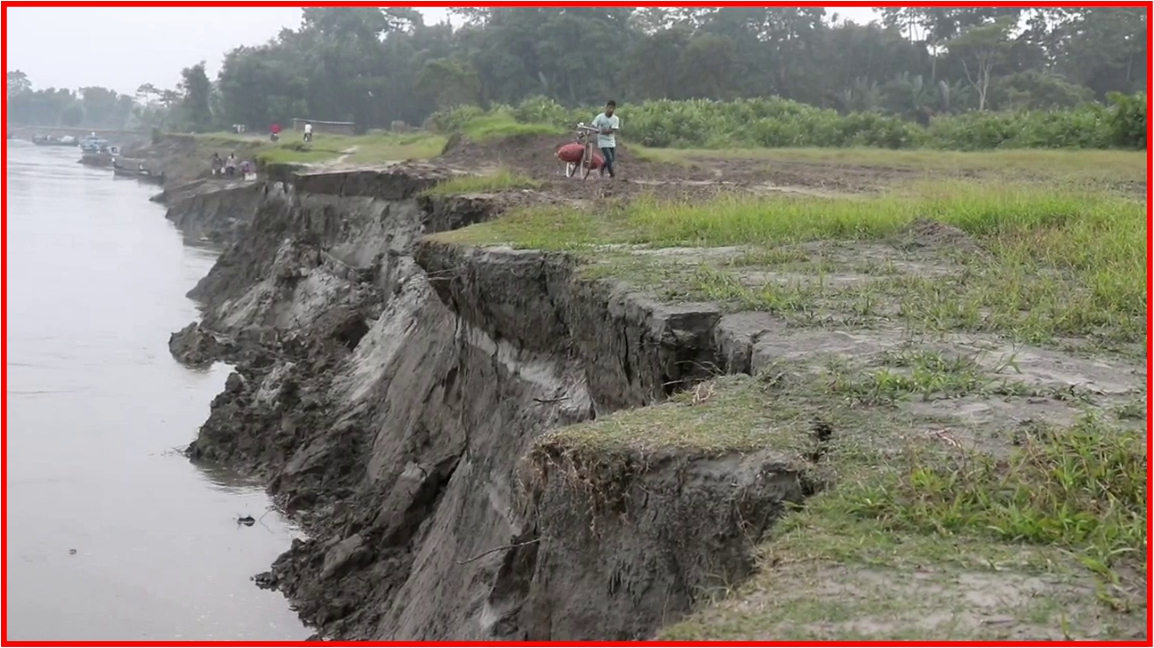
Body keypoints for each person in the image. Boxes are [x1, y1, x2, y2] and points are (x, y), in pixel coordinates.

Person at [592, 100, 620, 179]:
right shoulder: (600, 117)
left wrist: (601, 131)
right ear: (606, 108)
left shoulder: (615, 119)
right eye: (610, 108)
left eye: (613, 108)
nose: (611, 110)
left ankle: (602, 168)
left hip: (611, 140)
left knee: (612, 159)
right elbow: (593, 125)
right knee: (609, 158)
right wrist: (594, 129)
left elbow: (612, 130)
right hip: (602, 140)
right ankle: (612, 174)